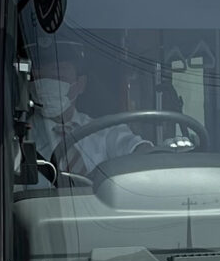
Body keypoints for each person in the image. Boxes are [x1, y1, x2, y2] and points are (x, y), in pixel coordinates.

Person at [27, 42, 149, 178]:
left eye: (58, 77)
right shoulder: (21, 139)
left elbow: (135, 148)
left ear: (80, 84)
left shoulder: (104, 131)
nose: (48, 86)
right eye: (40, 78)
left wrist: (148, 153)